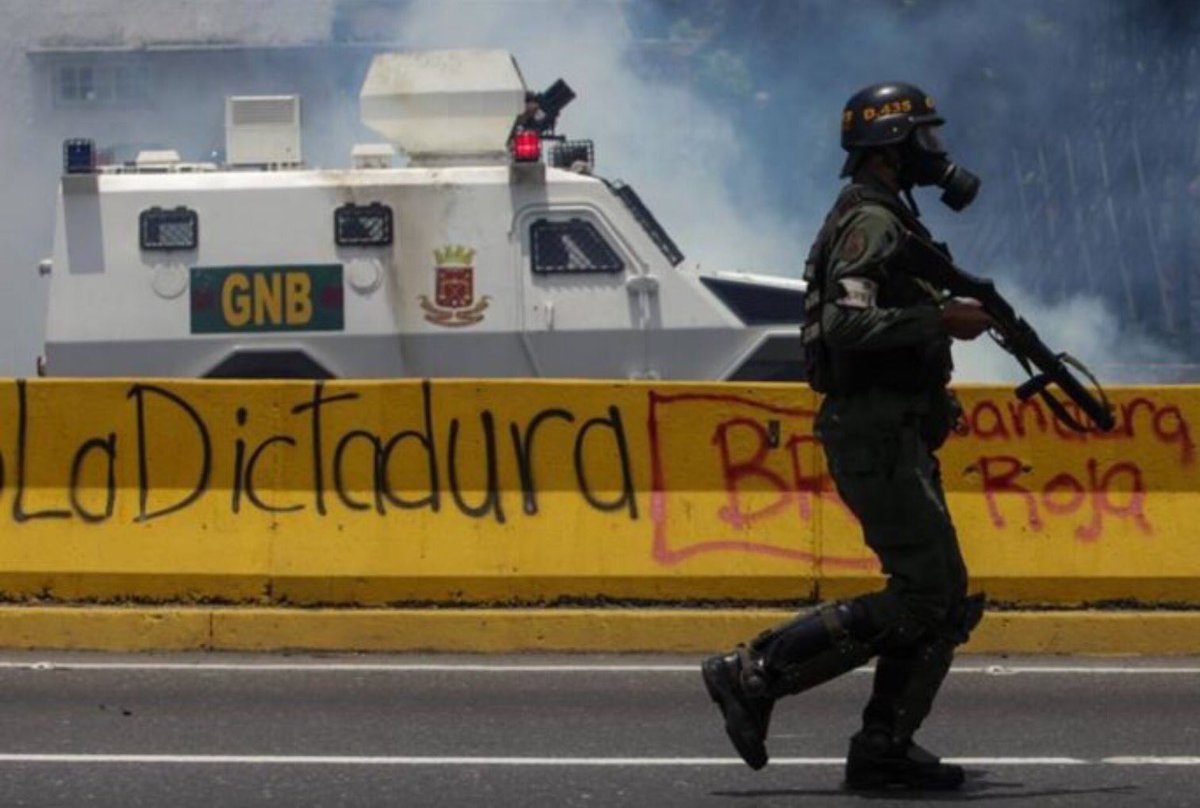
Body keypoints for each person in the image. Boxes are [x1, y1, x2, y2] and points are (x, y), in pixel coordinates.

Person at [701, 82, 993, 791]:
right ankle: (757, 671)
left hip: (891, 431)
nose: (934, 151)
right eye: (922, 138)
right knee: (926, 595)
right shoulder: (872, 220)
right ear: (890, 148)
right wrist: (939, 319)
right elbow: (845, 324)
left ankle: (884, 747)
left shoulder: (887, 215)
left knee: (942, 595)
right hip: (872, 434)